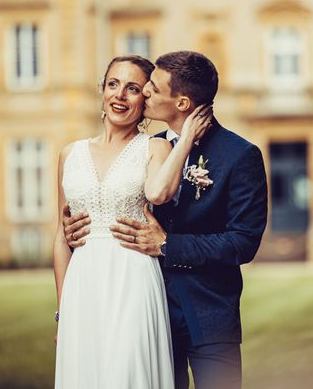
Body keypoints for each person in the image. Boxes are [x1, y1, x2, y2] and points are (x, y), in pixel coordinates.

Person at [62, 51, 268, 388]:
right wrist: (75, 226)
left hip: (209, 315)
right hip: (147, 312)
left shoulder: (239, 155)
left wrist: (169, 246)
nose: (143, 93)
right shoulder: (146, 149)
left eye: (152, 90)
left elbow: (243, 242)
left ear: (182, 102)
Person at [53, 55, 212, 388]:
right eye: (113, 85)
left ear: (145, 100)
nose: (120, 96)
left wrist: (184, 142)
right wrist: (62, 309)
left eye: (133, 88)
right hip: (83, 285)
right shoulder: (70, 154)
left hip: (133, 277)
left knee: (128, 371)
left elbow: (158, 193)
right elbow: (61, 236)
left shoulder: (154, 147)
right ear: (102, 90)